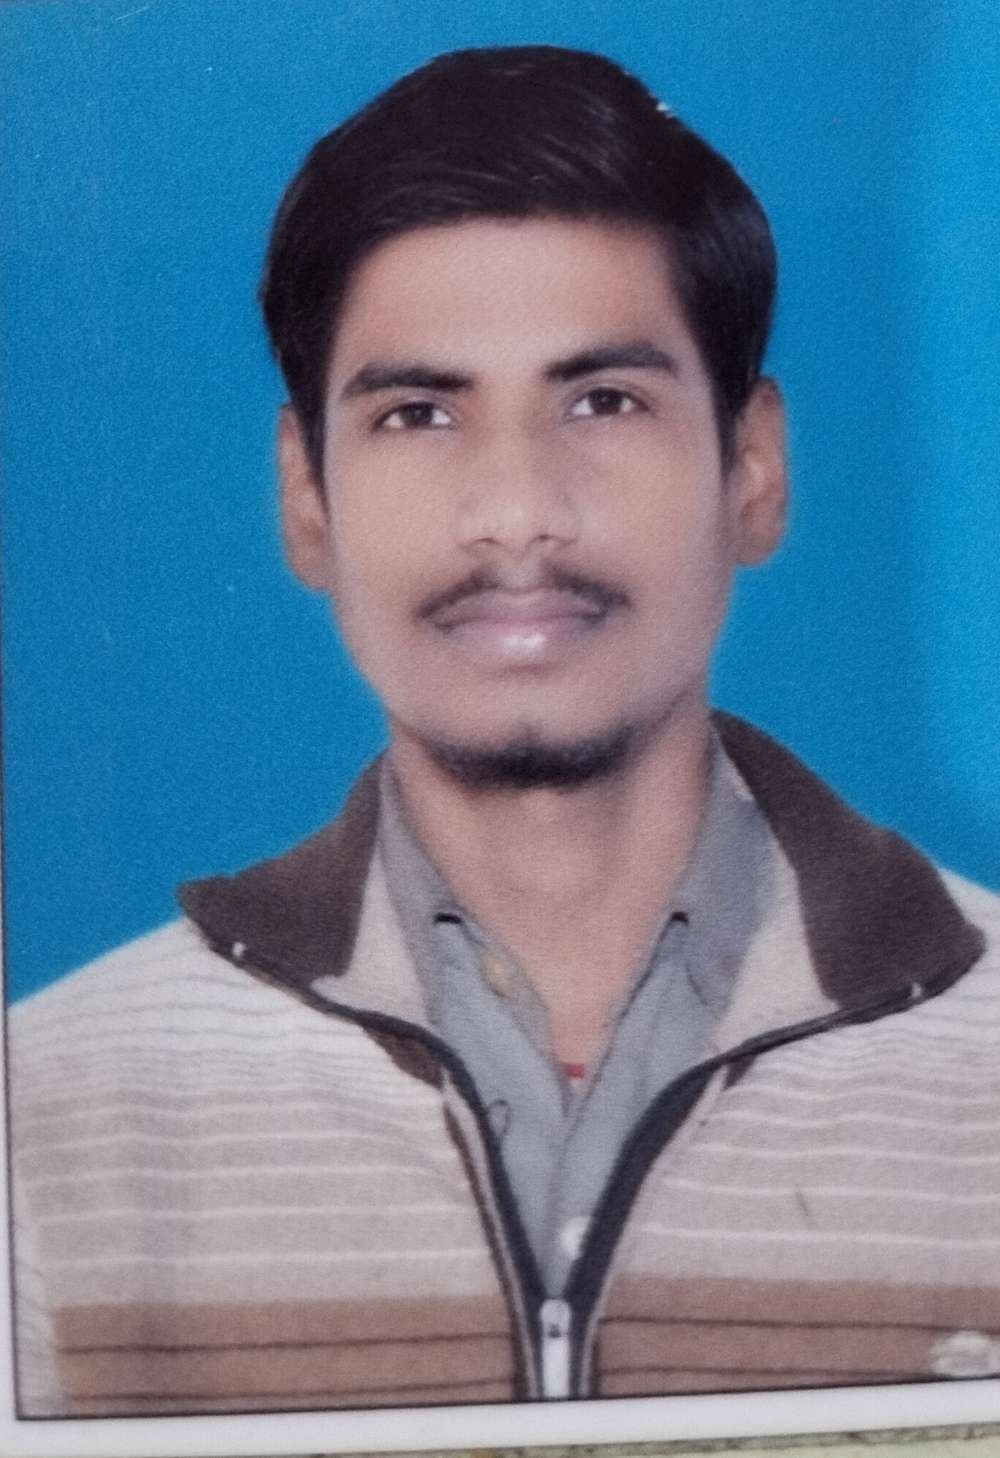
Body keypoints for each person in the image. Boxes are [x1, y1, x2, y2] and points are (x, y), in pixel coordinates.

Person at [8, 45, 1000, 1419]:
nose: (518, 510)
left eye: (604, 400)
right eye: (419, 413)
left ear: (753, 467)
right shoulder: (52, 1118)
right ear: (306, 496)